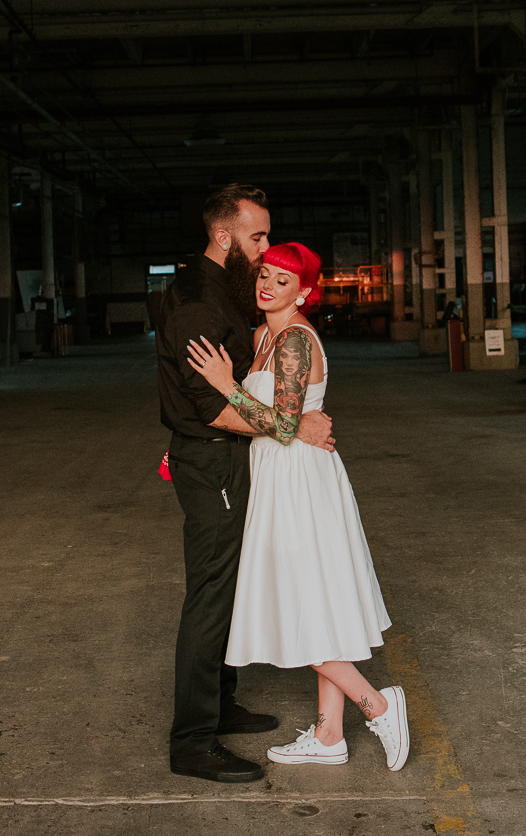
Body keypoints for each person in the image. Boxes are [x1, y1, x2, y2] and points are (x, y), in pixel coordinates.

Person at [186, 242, 411, 772]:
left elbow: (286, 426)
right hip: (275, 474)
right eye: (264, 275)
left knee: (291, 601)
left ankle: (377, 705)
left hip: (296, 479)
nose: (267, 285)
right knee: (316, 601)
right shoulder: (262, 335)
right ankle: (330, 735)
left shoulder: (292, 340)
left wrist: (224, 387)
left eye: (282, 281)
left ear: (304, 292)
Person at [157, 185, 336, 784]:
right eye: (258, 237)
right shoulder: (197, 303)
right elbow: (210, 406)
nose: (265, 252)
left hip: (237, 458)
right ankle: (193, 742)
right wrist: (293, 429)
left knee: (230, 587)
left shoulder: (227, 289)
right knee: (210, 595)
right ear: (225, 236)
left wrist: (289, 421)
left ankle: (220, 702)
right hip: (212, 460)